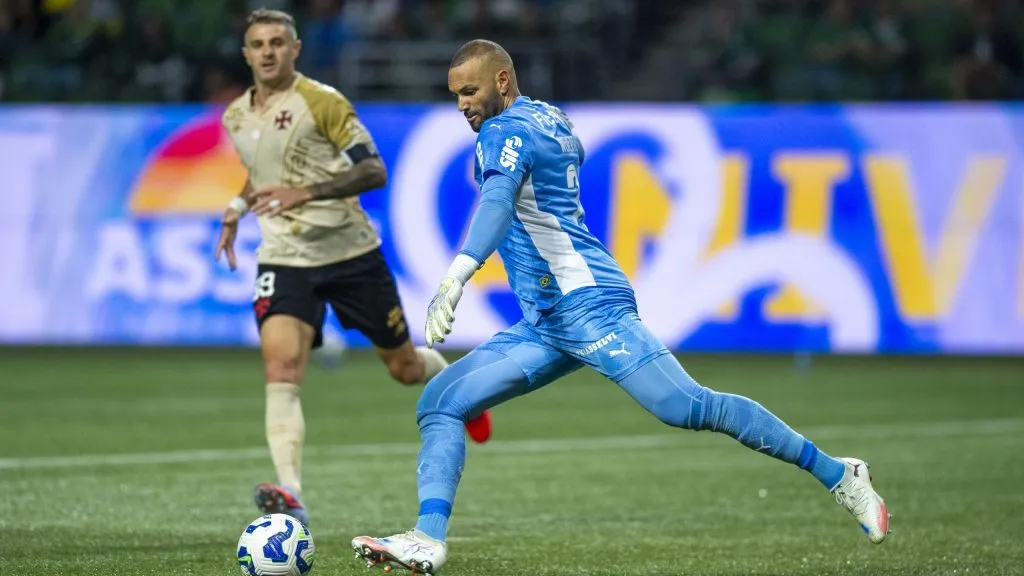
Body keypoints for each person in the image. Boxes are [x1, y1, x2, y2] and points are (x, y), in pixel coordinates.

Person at [351, 39, 890, 575]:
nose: (462, 105)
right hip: (545, 320)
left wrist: (458, 272)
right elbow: (558, 164)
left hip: (589, 306)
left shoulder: (503, 131)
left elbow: (496, 201)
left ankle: (840, 475)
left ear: (501, 81)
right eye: (454, 96)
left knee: (688, 408)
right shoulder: (548, 118)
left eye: (470, 91)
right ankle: (427, 538)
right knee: (440, 400)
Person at [214, 9, 493, 528]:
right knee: (281, 369)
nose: (269, 51)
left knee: (405, 368)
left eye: (279, 41)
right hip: (284, 258)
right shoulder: (236, 116)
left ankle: (463, 394)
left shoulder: (322, 102)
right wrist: (235, 209)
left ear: (295, 49)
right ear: (247, 54)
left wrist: (309, 191)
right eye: (258, 43)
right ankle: (291, 491)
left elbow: (373, 168)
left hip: (350, 255)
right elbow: (262, 174)